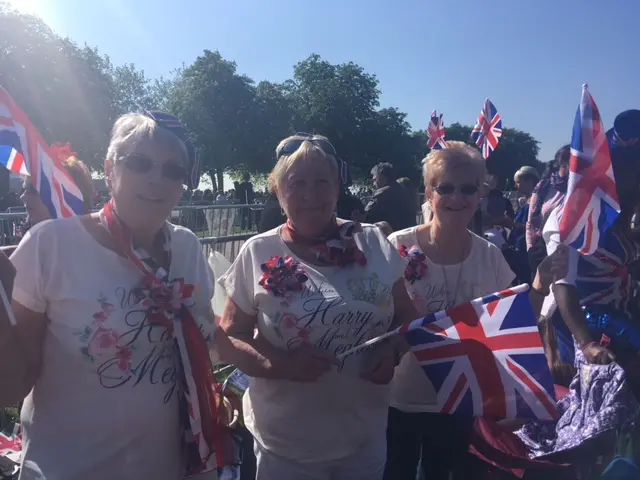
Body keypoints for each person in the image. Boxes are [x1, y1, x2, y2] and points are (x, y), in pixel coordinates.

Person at [2, 111, 222, 479]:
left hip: (172, 467)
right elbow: (10, 387)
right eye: (139, 163)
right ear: (109, 169)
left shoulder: (187, 248)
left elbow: (200, 344)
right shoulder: (51, 245)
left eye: (174, 170)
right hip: (69, 468)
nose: (157, 179)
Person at [216, 133, 418, 480]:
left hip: (363, 438)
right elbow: (228, 337)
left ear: (337, 189)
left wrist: (394, 346)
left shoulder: (371, 241)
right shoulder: (257, 251)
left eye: (322, 182)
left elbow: (409, 313)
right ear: (278, 192)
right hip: (287, 447)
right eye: (297, 184)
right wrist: (280, 363)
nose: (311, 195)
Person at [384, 142, 568, 480]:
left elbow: (516, 323)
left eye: (467, 188)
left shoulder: (490, 256)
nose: (457, 198)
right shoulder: (398, 245)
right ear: (429, 193)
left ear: (480, 193)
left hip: (457, 401)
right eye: (446, 188)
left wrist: (540, 284)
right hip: (397, 398)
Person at [544, 110, 640, 373]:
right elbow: (563, 285)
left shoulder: (623, 215)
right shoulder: (571, 217)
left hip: (624, 316)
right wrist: (587, 344)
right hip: (584, 326)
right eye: (625, 169)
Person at [526, 145, 570, 272]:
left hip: (568, 248)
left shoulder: (579, 187)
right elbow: (530, 223)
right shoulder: (543, 188)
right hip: (542, 248)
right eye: (565, 164)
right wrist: (530, 248)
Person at [365, 162, 416, 231]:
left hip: (389, 236)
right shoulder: (403, 191)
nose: (373, 183)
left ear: (382, 176)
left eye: (375, 179)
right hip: (407, 234)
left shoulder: (382, 193)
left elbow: (366, 215)